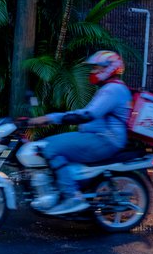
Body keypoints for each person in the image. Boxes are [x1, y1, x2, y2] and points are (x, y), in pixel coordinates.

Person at [28, 50, 132, 215]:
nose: (93, 72)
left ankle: (72, 197)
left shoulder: (113, 90)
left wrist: (50, 118)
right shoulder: (110, 88)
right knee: (51, 146)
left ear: (110, 68)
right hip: (97, 138)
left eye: (97, 68)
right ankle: (61, 189)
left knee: (50, 146)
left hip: (103, 140)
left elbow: (88, 114)